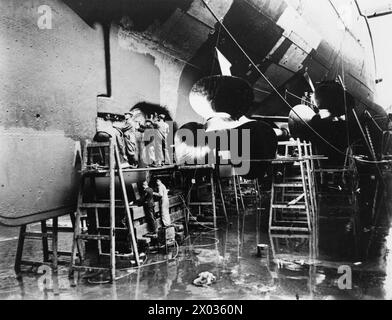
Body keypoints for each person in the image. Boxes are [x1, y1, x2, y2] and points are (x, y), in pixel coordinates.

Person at [154, 179, 175, 244]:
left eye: (158, 181)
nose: (157, 183)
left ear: (160, 181)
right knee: (166, 213)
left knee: (163, 213)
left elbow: (160, 194)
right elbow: (166, 191)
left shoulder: (160, 186)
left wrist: (154, 193)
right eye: (156, 182)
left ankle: (166, 224)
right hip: (166, 200)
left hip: (163, 200)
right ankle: (168, 223)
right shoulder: (163, 185)